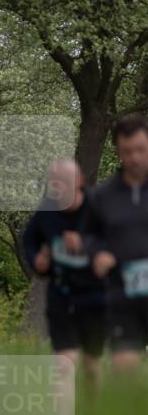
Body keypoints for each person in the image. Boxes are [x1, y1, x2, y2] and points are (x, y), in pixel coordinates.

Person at [22, 160, 107, 389]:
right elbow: (29, 241)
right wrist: (37, 260)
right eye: (54, 184)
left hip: (95, 294)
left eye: (63, 183)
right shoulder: (46, 211)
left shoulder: (98, 207)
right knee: (64, 363)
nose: (58, 189)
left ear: (79, 182)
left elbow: (118, 242)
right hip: (61, 293)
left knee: (91, 364)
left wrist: (86, 245)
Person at [83, 113, 148, 371]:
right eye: (127, 151)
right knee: (125, 372)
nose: (135, 158)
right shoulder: (102, 196)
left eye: (141, 150)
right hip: (122, 294)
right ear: (118, 151)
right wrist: (96, 253)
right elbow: (88, 237)